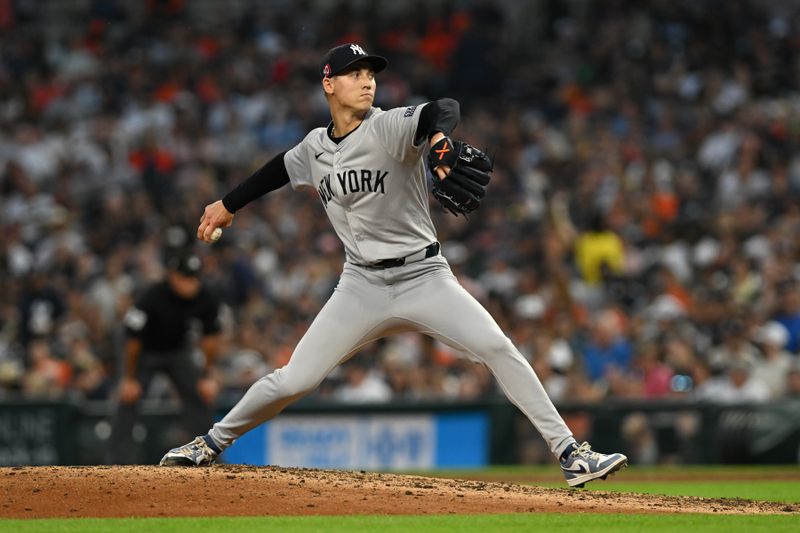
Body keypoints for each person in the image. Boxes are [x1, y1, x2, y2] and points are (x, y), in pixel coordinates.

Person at [159, 43, 627, 488]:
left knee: (497, 347)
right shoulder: (313, 148)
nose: (367, 82)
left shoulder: (387, 126)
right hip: (359, 284)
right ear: (328, 84)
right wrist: (228, 204)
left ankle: (570, 453)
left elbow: (441, 107)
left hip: (423, 277)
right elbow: (278, 169)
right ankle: (211, 442)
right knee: (295, 379)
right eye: (354, 74)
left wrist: (441, 140)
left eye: (370, 75)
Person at [108, 250, 223, 464]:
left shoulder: (205, 297)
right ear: (173, 276)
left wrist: (207, 375)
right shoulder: (152, 295)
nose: (191, 284)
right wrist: (128, 378)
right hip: (143, 351)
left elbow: (211, 338)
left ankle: (207, 457)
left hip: (177, 351)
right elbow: (132, 339)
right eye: (185, 278)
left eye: (194, 278)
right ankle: (118, 462)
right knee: (128, 398)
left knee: (200, 396)